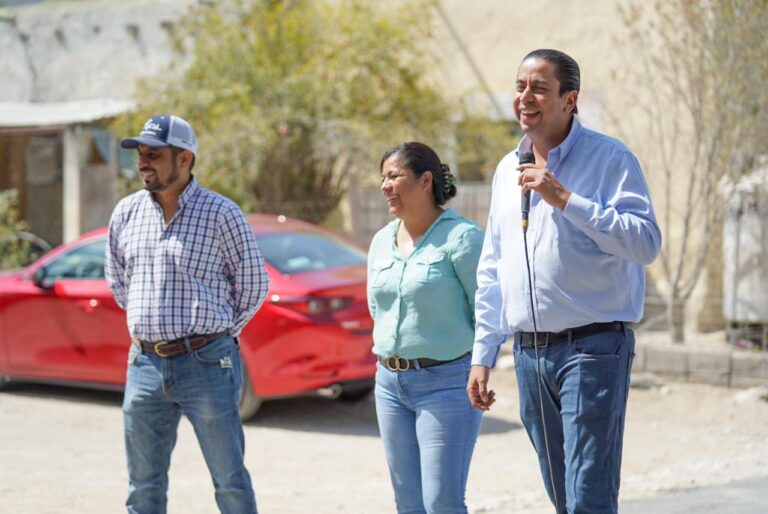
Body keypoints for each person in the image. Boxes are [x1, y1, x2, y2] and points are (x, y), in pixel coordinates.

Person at [467, 49, 661, 514]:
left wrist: (565, 198)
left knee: (588, 495)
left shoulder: (610, 159)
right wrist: (483, 353)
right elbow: (494, 267)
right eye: (519, 87)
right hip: (531, 354)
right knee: (562, 494)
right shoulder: (503, 170)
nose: (525, 98)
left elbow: (646, 243)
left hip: (593, 349)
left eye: (539, 88)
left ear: (570, 99)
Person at [105, 114, 269, 514]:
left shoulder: (221, 214)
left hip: (207, 363)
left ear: (185, 160)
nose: (143, 162)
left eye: (154, 154)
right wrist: (151, 325)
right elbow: (119, 281)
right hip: (143, 364)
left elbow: (253, 285)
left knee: (229, 480)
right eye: (141, 154)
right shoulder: (125, 213)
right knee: (142, 484)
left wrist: (217, 336)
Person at [367, 142, 484, 514]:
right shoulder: (381, 241)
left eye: (394, 176)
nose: (385, 185)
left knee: (442, 503)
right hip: (389, 385)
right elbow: (377, 308)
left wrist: (481, 367)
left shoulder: (462, 238)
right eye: (382, 177)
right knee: (409, 504)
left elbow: (487, 309)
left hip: (447, 384)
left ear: (425, 180)